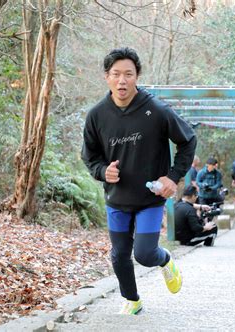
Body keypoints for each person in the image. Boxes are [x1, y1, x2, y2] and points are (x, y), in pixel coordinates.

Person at [81, 47, 197, 315]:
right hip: (117, 199)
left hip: (149, 199)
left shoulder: (156, 110)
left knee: (144, 254)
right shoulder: (97, 115)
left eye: (128, 74)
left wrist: (172, 177)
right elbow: (90, 156)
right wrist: (102, 171)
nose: (122, 80)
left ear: (137, 77)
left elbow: (188, 140)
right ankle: (132, 300)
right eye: (116, 74)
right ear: (106, 77)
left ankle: (166, 261)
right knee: (120, 254)